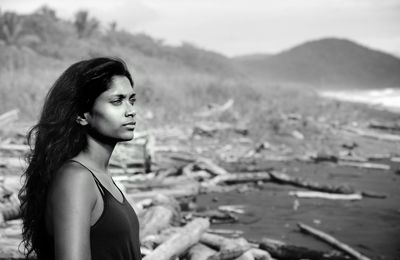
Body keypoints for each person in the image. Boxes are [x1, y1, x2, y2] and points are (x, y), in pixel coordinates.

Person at [18, 57, 141, 260]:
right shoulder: (76, 178)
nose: (131, 111)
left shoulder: (100, 176)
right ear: (82, 115)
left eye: (132, 100)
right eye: (117, 101)